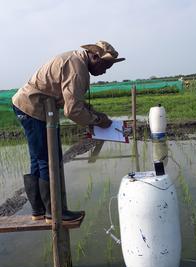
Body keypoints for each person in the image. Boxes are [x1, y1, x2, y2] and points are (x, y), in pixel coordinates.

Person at [12, 41, 125, 224]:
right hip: (32, 108)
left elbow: (72, 100)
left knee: (39, 159)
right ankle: (54, 212)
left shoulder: (75, 60)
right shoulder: (77, 67)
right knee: (49, 159)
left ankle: (40, 211)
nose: (105, 71)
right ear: (95, 57)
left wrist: (93, 113)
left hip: (31, 107)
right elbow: (72, 110)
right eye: (105, 66)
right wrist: (97, 121)